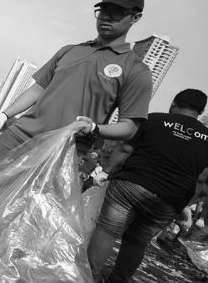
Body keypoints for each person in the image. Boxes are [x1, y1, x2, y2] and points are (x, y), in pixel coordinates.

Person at [0, 0, 153, 168]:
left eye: (117, 12)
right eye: (103, 11)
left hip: (61, 152)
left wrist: (94, 128)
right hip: (18, 137)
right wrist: (4, 116)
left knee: (21, 198)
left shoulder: (136, 70)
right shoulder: (70, 51)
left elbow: (129, 126)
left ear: (135, 17)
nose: (107, 17)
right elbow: (38, 89)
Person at [86, 89, 208, 283]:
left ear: (174, 103)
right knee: (137, 241)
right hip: (170, 199)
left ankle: (88, 276)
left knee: (108, 229)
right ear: (201, 112)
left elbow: (126, 148)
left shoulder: (154, 120)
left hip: (132, 185)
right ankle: (117, 280)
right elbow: (202, 177)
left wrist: (105, 171)